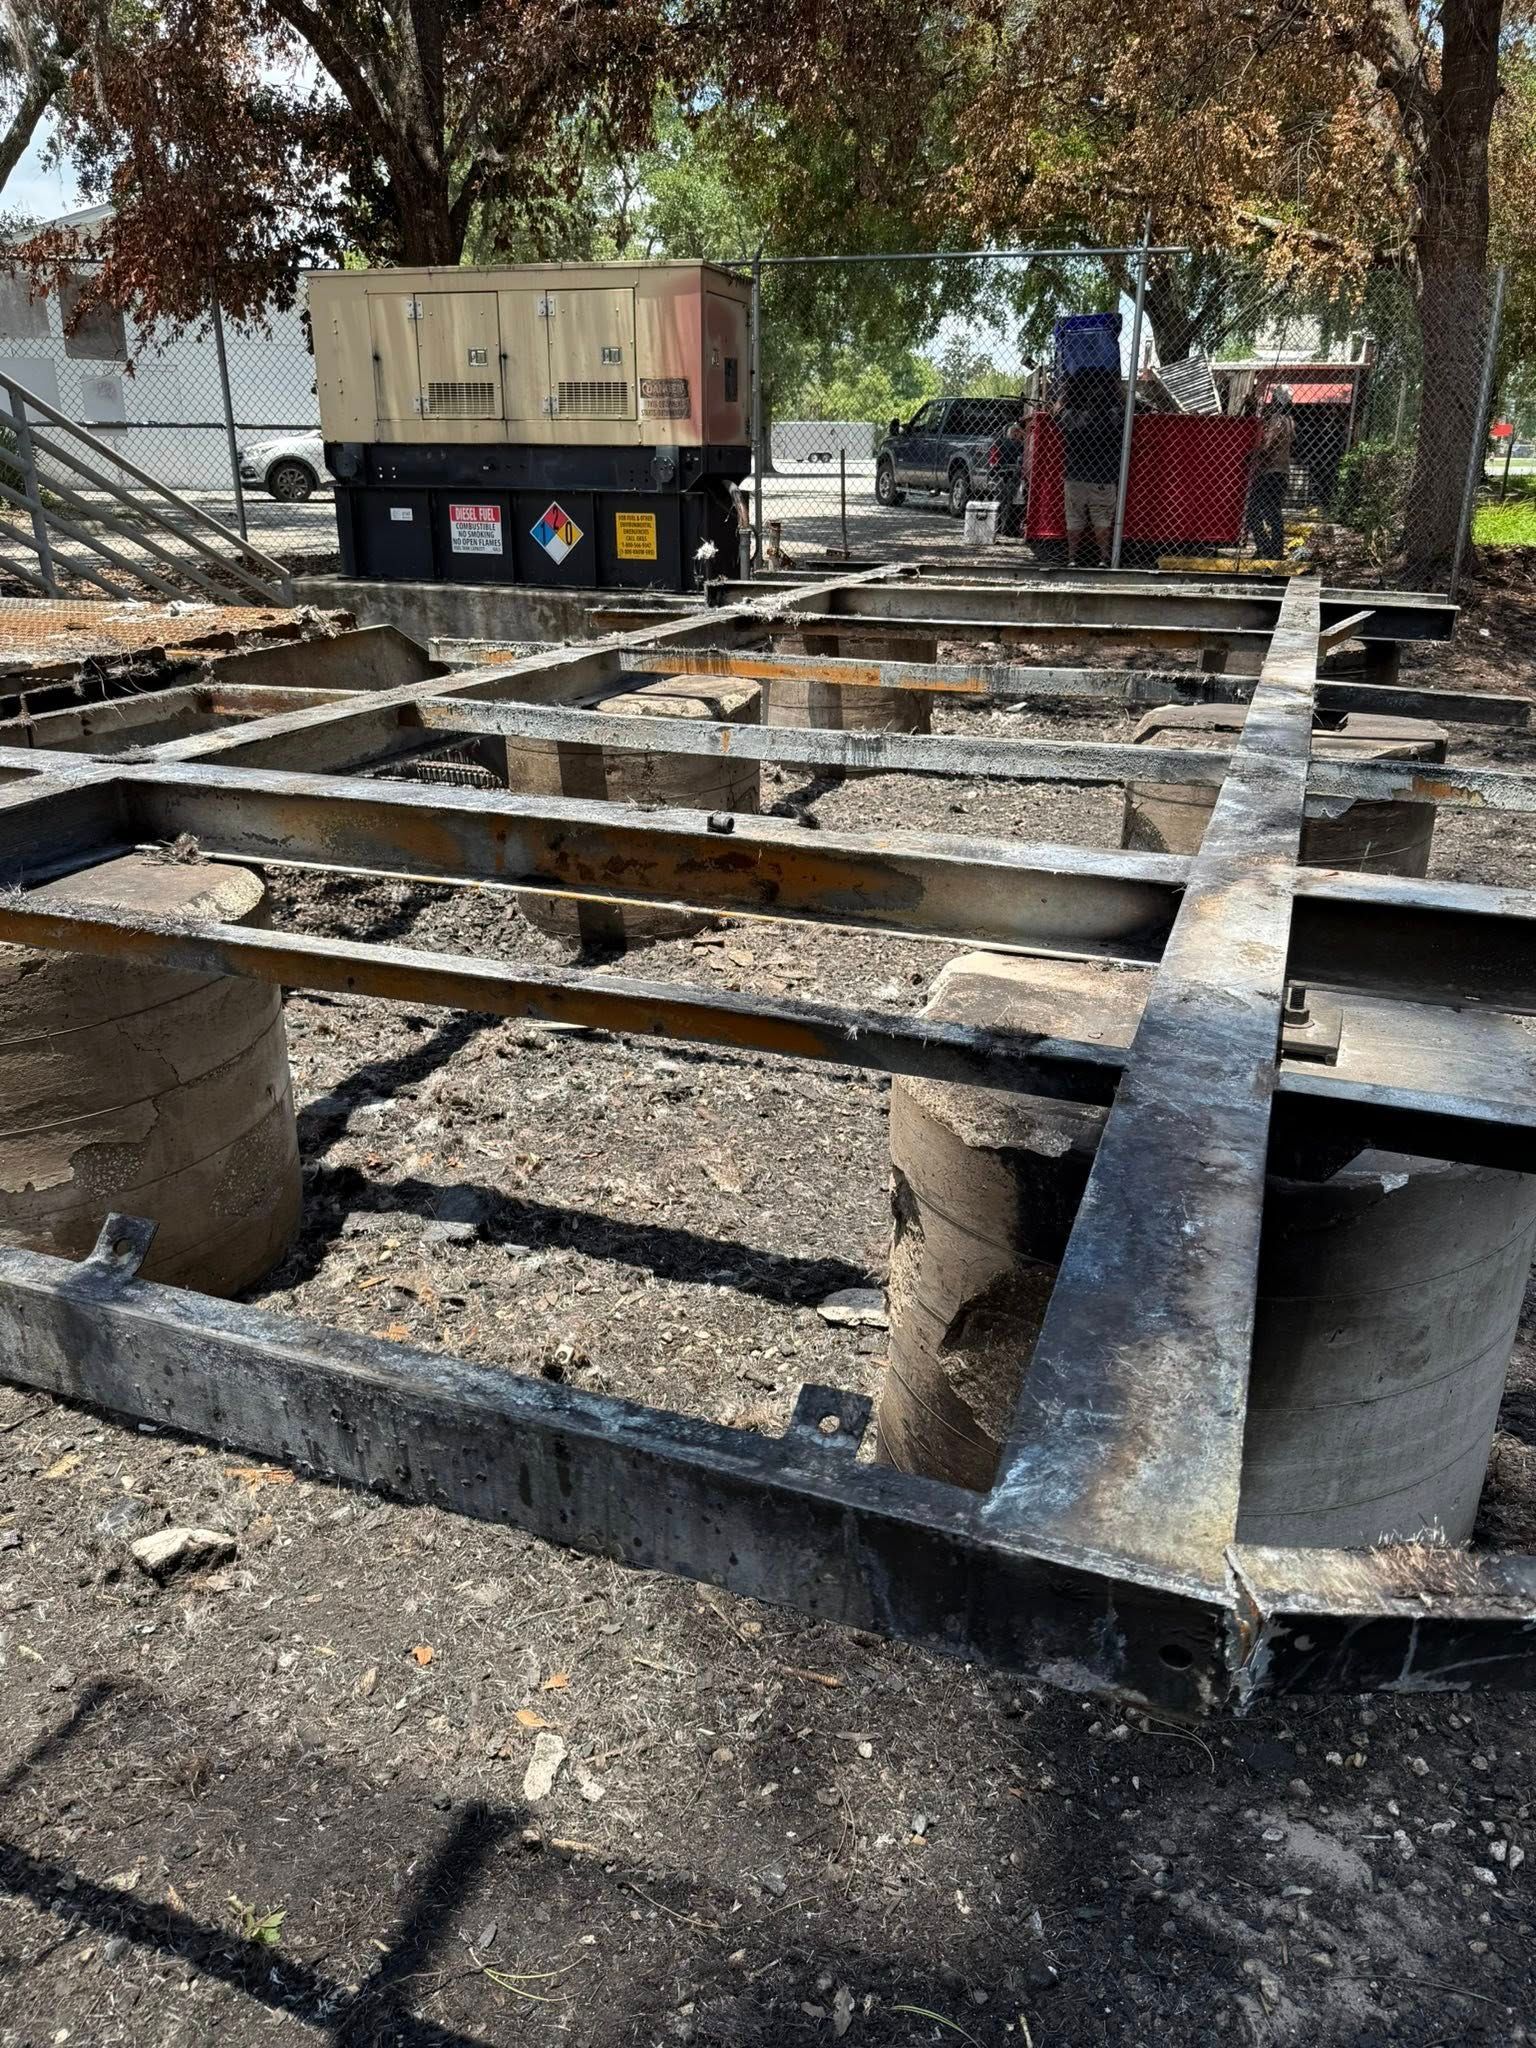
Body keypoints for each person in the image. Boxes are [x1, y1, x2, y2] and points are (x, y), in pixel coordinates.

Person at [1054, 368, 1124, 566]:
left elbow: (1056, 413)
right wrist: (1117, 386)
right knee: (1102, 517)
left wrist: (1065, 391)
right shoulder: (1113, 418)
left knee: (1074, 517)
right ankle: (1104, 558)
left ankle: (1072, 558)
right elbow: (1126, 408)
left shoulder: (1072, 417)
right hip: (1104, 476)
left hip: (1075, 475)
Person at [1247, 385, 1296, 561]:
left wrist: (1251, 453)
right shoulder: (1290, 421)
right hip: (1281, 471)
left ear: (1276, 401)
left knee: (1253, 511)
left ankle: (1265, 547)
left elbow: (1267, 446)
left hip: (1269, 471)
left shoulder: (1277, 420)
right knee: (1273, 511)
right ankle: (1274, 549)